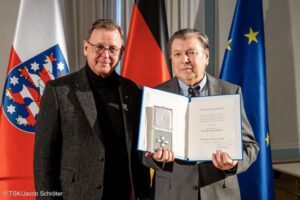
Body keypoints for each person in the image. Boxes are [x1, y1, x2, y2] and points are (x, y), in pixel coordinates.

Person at [34, 19, 150, 200]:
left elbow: (140, 154)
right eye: (99, 47)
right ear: (86, 48)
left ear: (121, 53)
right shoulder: (59, 91)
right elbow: (43, 161)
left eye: (112, 49)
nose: (106, 54)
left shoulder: (134, 92)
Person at [143, 29, 259, 200]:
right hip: (172, 193)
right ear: (171, 59)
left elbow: (250, 146)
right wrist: (157, 158)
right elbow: (142, 152)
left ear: (206, 56)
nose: (184, 60)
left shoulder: (230, 91)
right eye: (177, 54)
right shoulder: (156, 95)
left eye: (191, 52)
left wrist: (234, 163)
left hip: (219, 193)